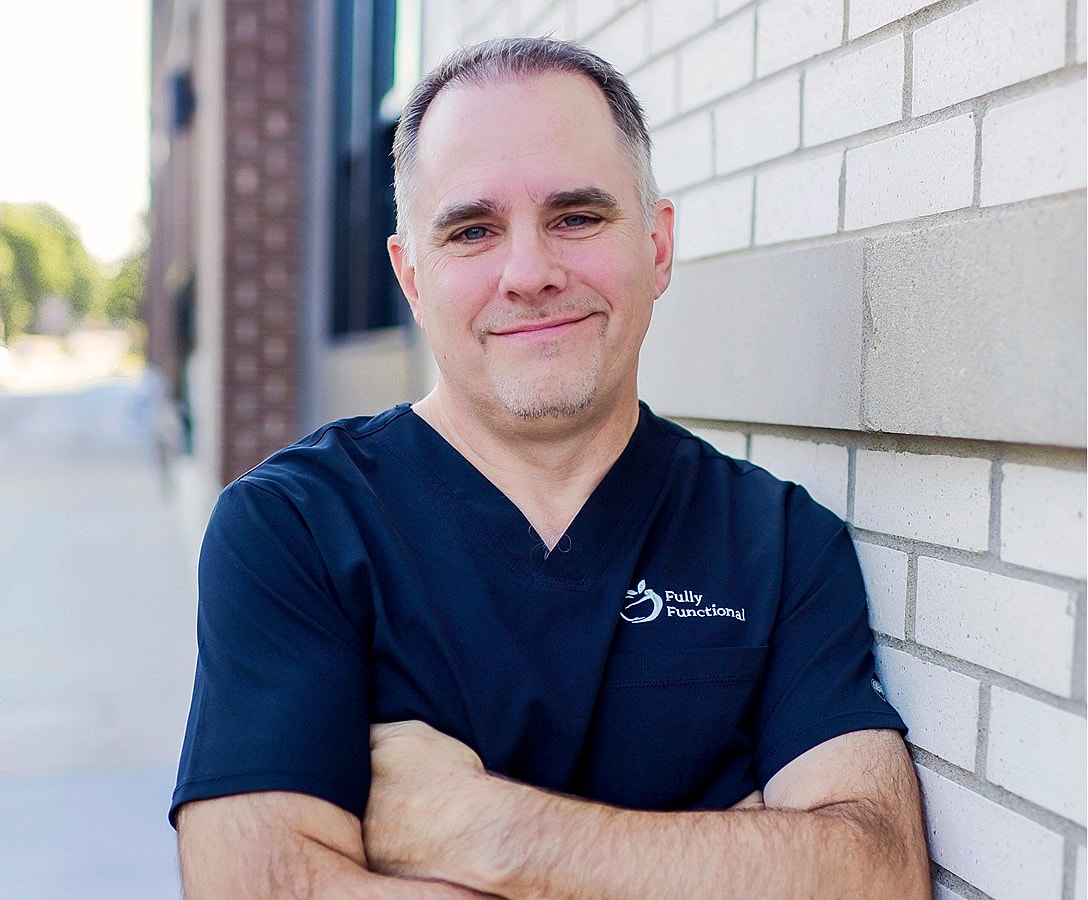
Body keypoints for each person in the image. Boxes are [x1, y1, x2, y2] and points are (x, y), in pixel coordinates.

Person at [172, 37, 930, 898]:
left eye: (576, 217)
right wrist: (735, 852)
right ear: (410, 276)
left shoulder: (779, 543)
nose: (529, 273)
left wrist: (483, 829)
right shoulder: (295, 531)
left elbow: (877, 875)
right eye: (472, 230)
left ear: (657, 246)